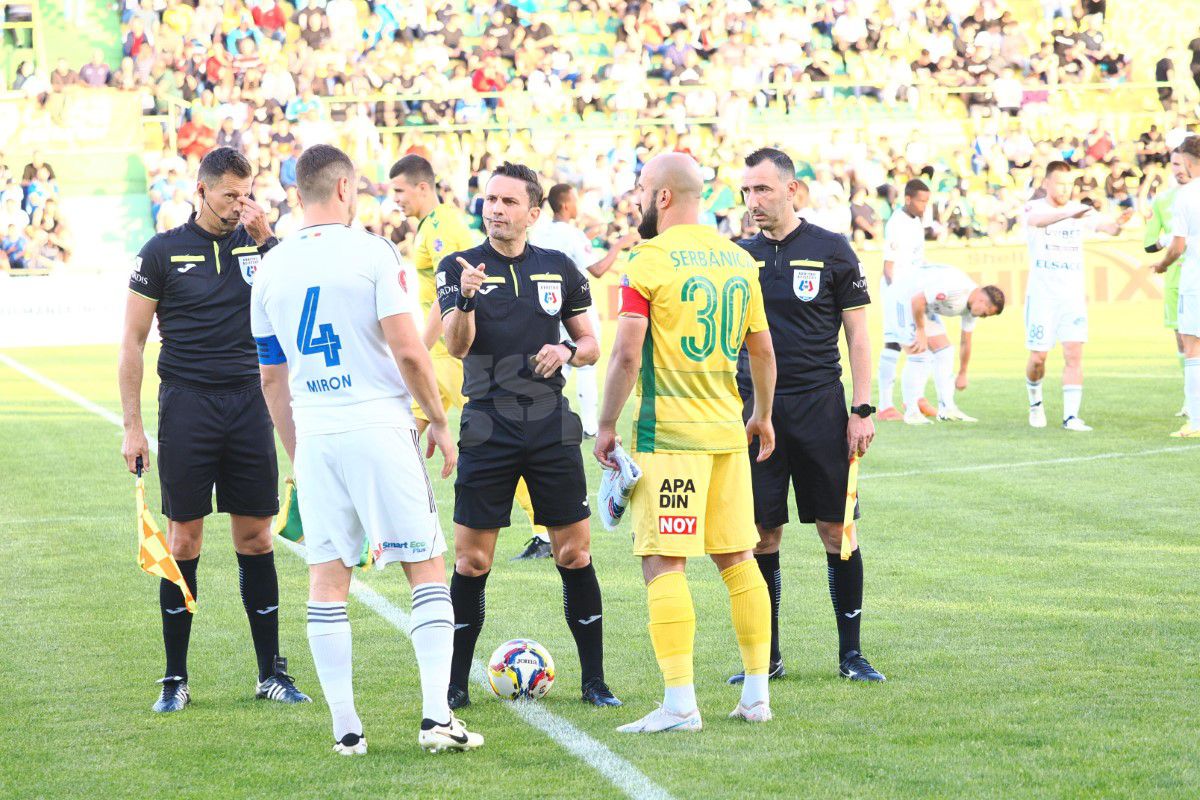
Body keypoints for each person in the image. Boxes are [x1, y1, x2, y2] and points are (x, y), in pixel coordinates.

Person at [251, 143, 483, 755]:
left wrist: (298, 450)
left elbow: (271, 378)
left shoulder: (269, 268)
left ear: (298, 194)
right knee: (425, 565)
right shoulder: (372, 251)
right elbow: (408, 350)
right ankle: (436, 718)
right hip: (379, 425)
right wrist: (439, 420)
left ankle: (346, 730)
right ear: (344, 189)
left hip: (316, 432)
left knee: (328, 578)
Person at [119, 146, 308, 713]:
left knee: (256, 538)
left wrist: (267, 239)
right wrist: (133, 428)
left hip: (249, 403)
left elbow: (299, 299)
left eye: (246, 195)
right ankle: (175, 678)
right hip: (187, 407)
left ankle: (270, 672)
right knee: (184, 541)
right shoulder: (162, 252)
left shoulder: (262, 246)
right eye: (229, 195)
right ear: (200, 191)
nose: (239, 206)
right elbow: (132, 342)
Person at [594, 152, 777, 733]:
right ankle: (756, 696)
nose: (637, 199)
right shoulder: (739, 259)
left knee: (663, 562)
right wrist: (762, 415)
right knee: (739, 559)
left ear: (663, 197)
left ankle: (679, 704)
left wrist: (605, 425)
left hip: (669, 436)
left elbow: (626, 354)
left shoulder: (647, 259)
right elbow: (762, 349)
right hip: (726, 433)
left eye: (642, 189)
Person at [436, 161, 620, 709]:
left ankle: (595, 682)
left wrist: (566, 349)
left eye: (508, 201)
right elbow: (455, 346)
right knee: (472, 562)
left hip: (549, 422)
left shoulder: (558, 267)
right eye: (490, 199)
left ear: (533, 213)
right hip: (487, 422)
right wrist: (466, 299)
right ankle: (454, 685)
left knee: (574, 554)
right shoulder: (458, 266)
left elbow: (591, 345)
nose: (495, 209)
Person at [728, 147, 883, 684]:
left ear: (791, 190)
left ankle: (851, 655)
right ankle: (766, 658)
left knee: (837, 531)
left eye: (763, 189)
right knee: (760, 535)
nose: (753, 201)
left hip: (820, 409)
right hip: (755, 413)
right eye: (747, 191)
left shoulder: (831, 249)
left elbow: (858, 334)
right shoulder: (737, 256)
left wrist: (861, 408)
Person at [388, 154, 549, 561]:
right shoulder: (430, 225)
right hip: (446, 356)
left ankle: (392, 527)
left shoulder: (443, 227)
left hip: (455, 356)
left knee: (402, 429)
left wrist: (419, 349)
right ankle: (543, 528)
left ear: (422, 187)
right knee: (404, 431)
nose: (396, 200)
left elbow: (456, 290)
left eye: (400, 191)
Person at [1023, 161, 1131, 431]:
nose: (1065, 189)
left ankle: (1071, 417)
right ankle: (1035, 402)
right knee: (1038, 358)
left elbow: (1108, 228)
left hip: (1071, 297)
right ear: (1046, 183)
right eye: (1060, 183)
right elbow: (1037, 222)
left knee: (1073, 353)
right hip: (1042, 296)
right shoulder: (1034, 207)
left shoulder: (1080, 210)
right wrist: (1070, 214)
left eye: (1069, 184)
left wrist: (1119, 224)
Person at [530, 183, 640, 439]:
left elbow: (566, 251)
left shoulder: (542, 231)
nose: (578, 205)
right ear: (565, 205)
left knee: (562, 358)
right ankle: (590, 426)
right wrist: (620, 244)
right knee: (587, 361)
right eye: (575, 200)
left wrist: (588, 236)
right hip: (576, 305)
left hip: (548, 304)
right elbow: (597, 270)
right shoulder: (572, 234)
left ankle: (541, 414)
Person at [896, 264, 1006, 425]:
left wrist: (963, 373)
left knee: (944, 352)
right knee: (918, 355)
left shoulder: (973, 307)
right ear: (982, 300)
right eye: (985, 314)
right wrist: (920, 330)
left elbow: (965, 341)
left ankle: (947, 409)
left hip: (923, 306)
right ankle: (911, 412)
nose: (983, 317)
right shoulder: (955, 287)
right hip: (904, 298)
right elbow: (917, 299)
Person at [1148, 135, 1200, 437]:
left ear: (1189, 162)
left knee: (1192, 347)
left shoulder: (1186, 195)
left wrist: (1162, 264)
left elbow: (1177, 247)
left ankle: (1196, 422)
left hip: (1194, 281)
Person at [877, 179, 933, 421]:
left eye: (927, 202)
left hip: (912, 290)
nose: (924, 206)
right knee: (901, 345)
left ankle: (915, 398)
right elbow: (888, 266)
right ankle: (887, 406)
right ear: (908, 199)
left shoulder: (916, 221)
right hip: (898, 292)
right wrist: (897, 296)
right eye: (921, 201)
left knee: (921, 343)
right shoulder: (897, 224)